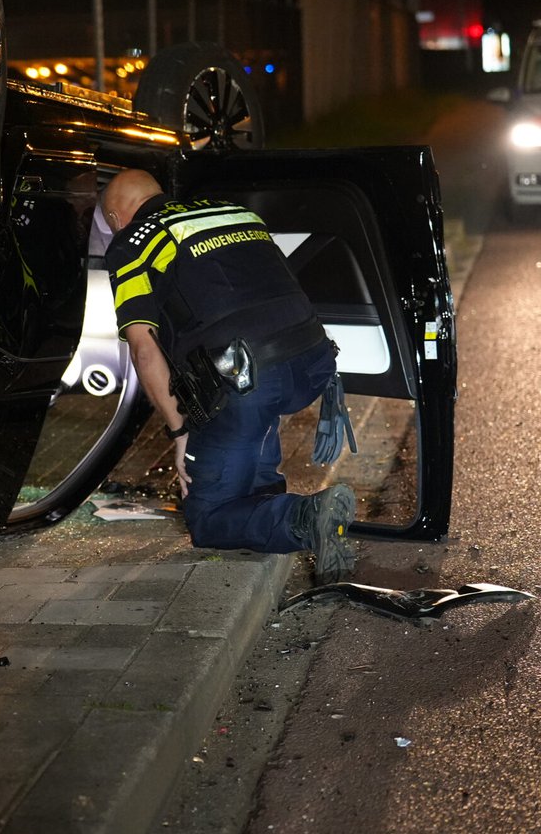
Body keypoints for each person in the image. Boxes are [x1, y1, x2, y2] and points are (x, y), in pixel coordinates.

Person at [101, 167, 356, 582]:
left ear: (115, 218)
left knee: (207, 517)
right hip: (312, 362)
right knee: (246, 436)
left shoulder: (131, 242)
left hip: (249, 379)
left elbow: (144, 349)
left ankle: (307, 516)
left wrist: (180, 434)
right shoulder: (234, 213)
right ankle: (264, 510)